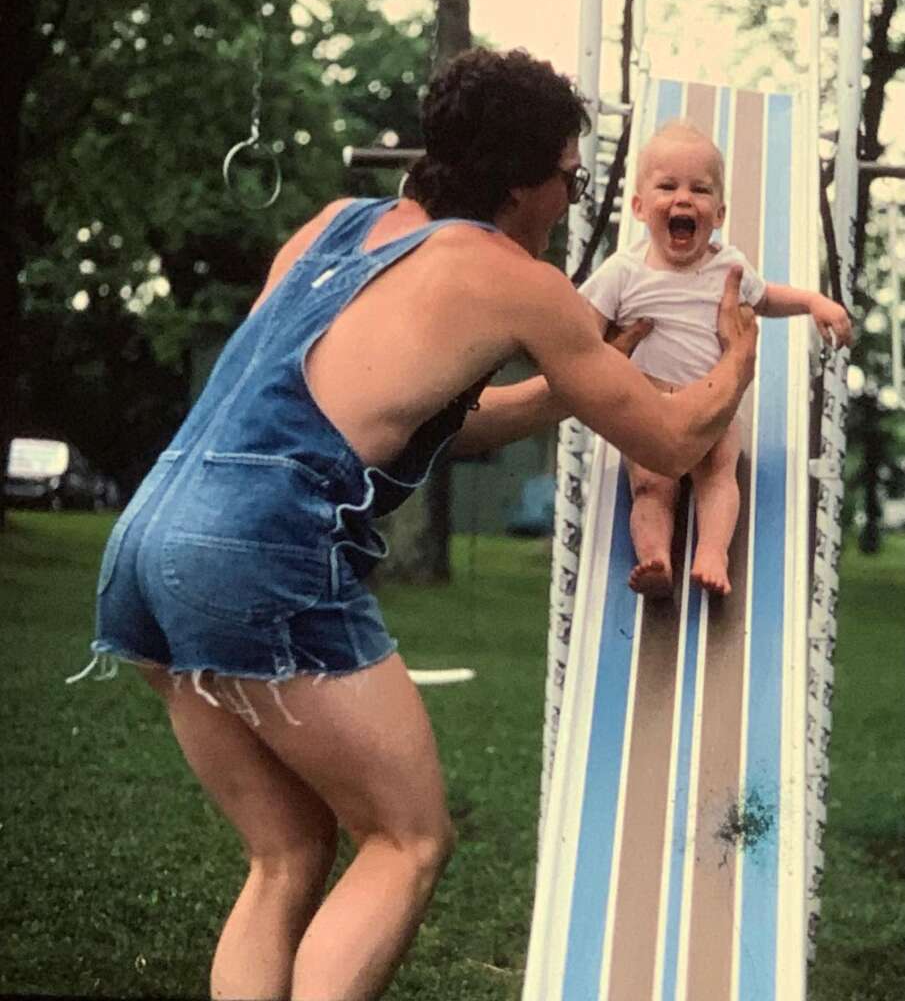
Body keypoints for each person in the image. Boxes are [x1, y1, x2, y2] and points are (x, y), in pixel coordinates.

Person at [69, 50, 758, 1001]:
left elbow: (431, 419)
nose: (570, 196)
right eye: (569, 175)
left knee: (286, 857)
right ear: (524, 179)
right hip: (263, 552)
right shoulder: (511, 277)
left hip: (148, 543)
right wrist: (736, 354)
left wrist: (575, 384)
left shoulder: (335, 225)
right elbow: (679, 439)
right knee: (407, 839)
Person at [581, 119, 852, 598]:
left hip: (714, 405)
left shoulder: (729, 265)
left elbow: (767, 298)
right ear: (640, 207)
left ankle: (712, 553)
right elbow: (580, 324)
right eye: (667, 186)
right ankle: (655, 557)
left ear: (719, 212)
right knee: (650, 487)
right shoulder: (622, 272)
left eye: (700, 190)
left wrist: (814, 301)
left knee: (719, 477)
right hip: (648, 403)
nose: (684, 198)